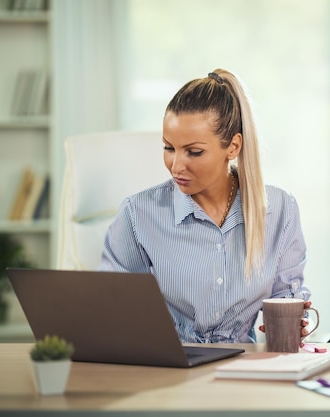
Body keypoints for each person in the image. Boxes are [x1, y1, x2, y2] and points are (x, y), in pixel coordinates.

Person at [99, 69, 311, 344]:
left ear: (233, 147)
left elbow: (287, 296)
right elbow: (111, 308)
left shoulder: (280, 210)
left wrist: (294, 323)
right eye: (168, 148)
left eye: (194, 152)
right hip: (168, 367)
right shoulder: (138, 215)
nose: (176, 166)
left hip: (243, 369)